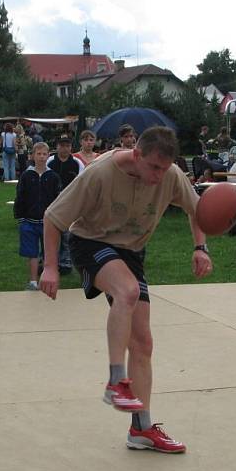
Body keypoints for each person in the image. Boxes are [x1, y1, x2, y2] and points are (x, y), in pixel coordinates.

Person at [40, 126, 213, 454]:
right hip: (91, 242)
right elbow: (53, 217)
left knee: (144, 342)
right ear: (137, 155)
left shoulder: (171, 175)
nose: (159, 175)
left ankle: (141, 429)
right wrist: (50, 266)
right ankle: (116, 379)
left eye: (165, 168)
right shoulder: (100, 173)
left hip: (130, 252)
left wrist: (200, 247)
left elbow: (199, 210)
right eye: (153, 167)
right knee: (128, 291)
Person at [14, 142, 61, 290]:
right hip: (29, 220)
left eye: (44, 154)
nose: (41, 157)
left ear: (49, 155)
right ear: (32, 155)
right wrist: (20, 217)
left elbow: (58, 199)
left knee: (49, 252)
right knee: (32, 252)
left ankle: (49, 280)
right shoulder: (26, 176)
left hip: (48, 222)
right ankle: (33, 281)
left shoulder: (53, 176)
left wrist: (56, 218)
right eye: (38, 154)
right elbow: (20, 196)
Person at [47, 135, 85, 273]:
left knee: (67, 235)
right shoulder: (50, 162)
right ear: (57, 147)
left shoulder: (77, 163)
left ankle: (66, 262)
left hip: (70, 203)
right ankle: (50, 261)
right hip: (52, 202)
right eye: (62, 145)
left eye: (67, 146)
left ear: (71, 148)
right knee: (52, 233)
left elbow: (82, 182)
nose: (64, 148)